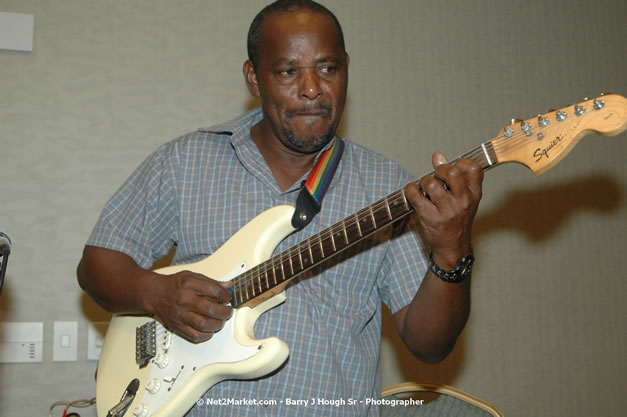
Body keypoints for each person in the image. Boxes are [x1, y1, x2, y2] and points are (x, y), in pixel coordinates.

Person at [77, 1, 483, 416]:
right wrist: (157, 293)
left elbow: (429, 345)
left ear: (346, 69)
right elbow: (97, 265)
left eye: (328, 69)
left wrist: (452, 252)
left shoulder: (388, 188)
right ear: (254, 77)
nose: (312, 88)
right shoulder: (185, 162)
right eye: (289, 71)